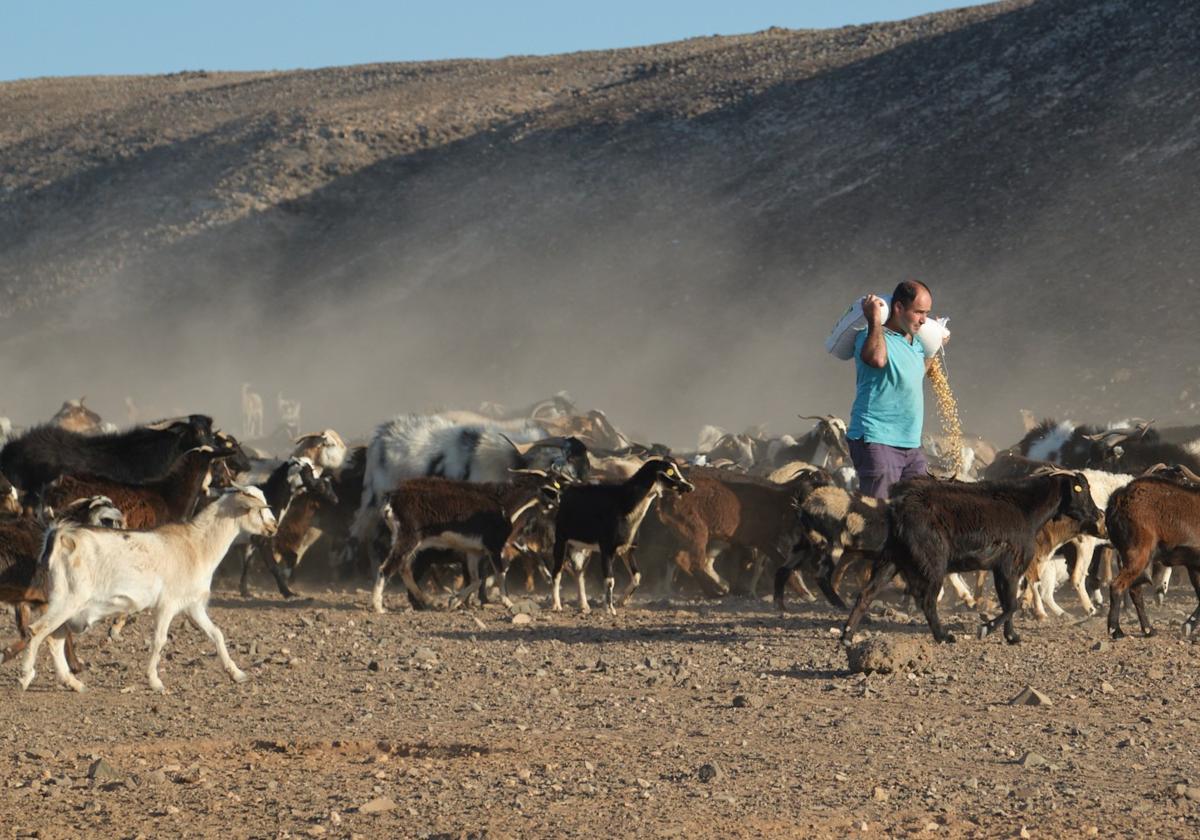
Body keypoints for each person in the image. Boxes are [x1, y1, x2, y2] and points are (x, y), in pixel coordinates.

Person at [846, 279, 945, 499]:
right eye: (919, 312)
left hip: (911, 444)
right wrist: (873, 319)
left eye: (926, 313)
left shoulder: (915, 343)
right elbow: (877, 359)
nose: (923, 319)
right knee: (878, 513)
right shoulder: (870, 336)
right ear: (898, 308)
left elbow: (916, 374)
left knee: (915, 509)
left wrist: (936, 344)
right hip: (878, 439)